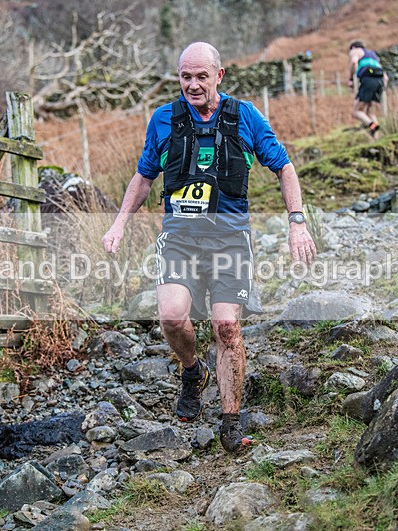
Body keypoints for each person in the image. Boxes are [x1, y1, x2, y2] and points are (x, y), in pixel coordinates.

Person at [102, 42, 316, 454]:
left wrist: (297, 222)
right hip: (180, 239)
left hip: (230, 239)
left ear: (219, 75)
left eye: (202, 76)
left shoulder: (245, 117)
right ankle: (191, 370)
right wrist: (118, 223)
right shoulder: (163, 119)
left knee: (227, 328)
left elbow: (284, 168)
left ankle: (230, 422)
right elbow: (144, 177)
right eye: (186, 77)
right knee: (170, 316)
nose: (193, 85)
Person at [348, 40, 389, 137]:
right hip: (380, 81)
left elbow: (354, 62)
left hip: (368, 80)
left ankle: (372, 125)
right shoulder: (373, 55)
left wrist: (351, 78)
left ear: (353, 47)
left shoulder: (355, 51)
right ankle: (377, 138)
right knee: (370, 112)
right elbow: (386, 77)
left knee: (356, 111)